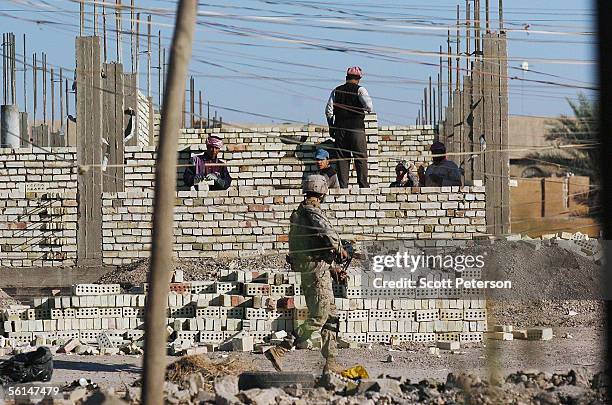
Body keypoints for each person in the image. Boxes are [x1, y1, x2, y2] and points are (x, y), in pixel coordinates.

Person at [265, 175, 348, 376]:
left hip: (317, 268)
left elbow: (314, 244)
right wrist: (340, 249)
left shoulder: (301, 213)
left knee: (331, 316)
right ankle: (281, 349)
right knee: (320, 315)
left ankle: (330, 361)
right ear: (321, 191)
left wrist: (333, 266)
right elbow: (327, 234)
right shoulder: (312, 211)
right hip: (316, 271)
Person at [325, 66, 374, 188]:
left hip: (340, 130)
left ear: (346, 77)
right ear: (359, 79)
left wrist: (332, 127)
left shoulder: (336, 91)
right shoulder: (360, 90)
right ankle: (363, 185)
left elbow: (328, 111)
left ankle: (343, 186)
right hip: (356, 129)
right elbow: (369, 107)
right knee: (360, 158)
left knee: (342, 159)